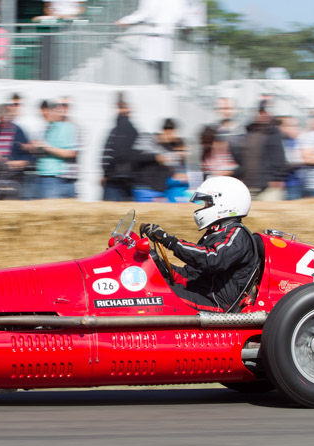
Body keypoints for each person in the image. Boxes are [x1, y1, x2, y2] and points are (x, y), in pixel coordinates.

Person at [139, 176, 258, 310]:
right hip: (201, 292)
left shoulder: (237, 235)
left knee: (151, 296)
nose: (204, 207)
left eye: (207, 203)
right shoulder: (217, 233)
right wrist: (158, 264)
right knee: (147, 285)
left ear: (225, 203)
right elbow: (190, 275)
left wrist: (169, 241)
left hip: (216, 303)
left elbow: (211, 259)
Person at [114, 0, 189, 84]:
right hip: (170, 32)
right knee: (164, 63)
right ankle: (163, 85)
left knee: (153, 64)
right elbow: (182, 15)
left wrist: (125, 21)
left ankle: (158, 86)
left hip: (154, 31)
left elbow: (144, 12)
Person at [29, 100, 78, 199]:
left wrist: (43, 146)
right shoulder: (48, 127)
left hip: (54, 178)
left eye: (45, 112)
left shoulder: (67, 127)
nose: (43, 115)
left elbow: (71, 153)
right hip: (46, 177)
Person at [0, 103, 31, 199]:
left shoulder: (18, 130)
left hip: (13, 176)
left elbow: (27, 157)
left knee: (12, 203)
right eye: (0, 114)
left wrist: (16, 163)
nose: (2, 117)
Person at [101, 92, 139, 201]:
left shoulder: (119, 129)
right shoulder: (133, 130)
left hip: (116, 179)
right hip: (126, 179)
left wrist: (106, 173)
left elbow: (110, 153)